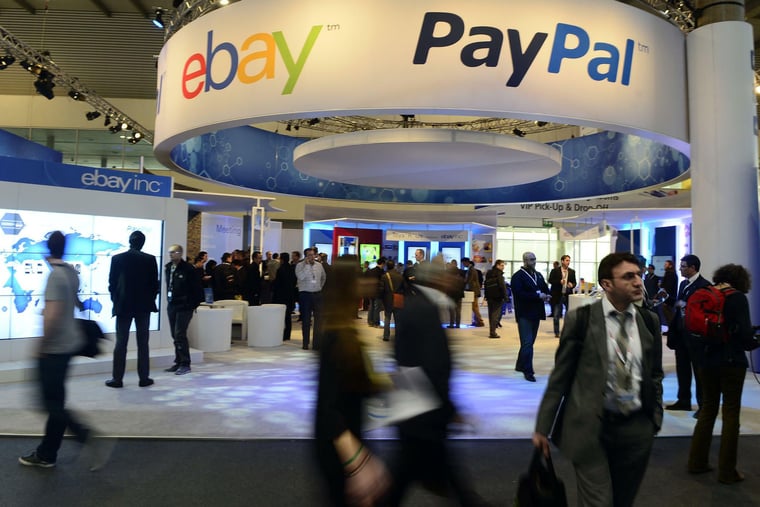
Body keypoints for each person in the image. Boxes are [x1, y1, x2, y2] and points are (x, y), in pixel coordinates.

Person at [533, 252, 663, 507]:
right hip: (590, 428)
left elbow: (655, 374)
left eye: (638, 275)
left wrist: (654, 418)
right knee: (598, 502)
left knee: (623, 501)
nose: (638, 282)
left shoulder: (649, 321)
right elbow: (561, 376)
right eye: (628, 277)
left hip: (636, 430)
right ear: (607, 284)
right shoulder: (581, 319)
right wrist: (542, 426)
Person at [390, 261, 487, 506]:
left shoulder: (420, 306)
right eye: (447, 276)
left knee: (407, 473)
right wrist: (448, 408)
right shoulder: (424, 310)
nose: (453, 280)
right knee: (404, 474)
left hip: (417, 409)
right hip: (423, 411)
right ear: (436, 280)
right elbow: (431, 366)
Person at [19, 231, 103, 469]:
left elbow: (53, 315)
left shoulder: (55, 276)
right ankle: (47, 454)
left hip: (54, 348)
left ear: (48, 248)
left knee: (49, 403)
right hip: (68, 345)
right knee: (55, 401)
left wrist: (41, 346)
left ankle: (85, 435)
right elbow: (73, 303)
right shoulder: (70, 272)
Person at [314, 255, 390, 506]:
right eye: (361, 276)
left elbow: (352, 384)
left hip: (350, 439)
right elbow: (328, 407)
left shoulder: (345, 330)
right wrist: (356, 462)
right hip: (341, 448)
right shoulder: (337, 336)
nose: (369, 281)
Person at [688, 263, 758, 484]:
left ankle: (697, 462)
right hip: (731, 363)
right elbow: (745, 338)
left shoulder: (707, 293)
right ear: (741, 280)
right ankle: (727, 471)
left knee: (708, 410)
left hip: (706, 361)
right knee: (730, 414)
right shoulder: (737, 298)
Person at [105, 230, 160, 388]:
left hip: (124, 305)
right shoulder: (150, 259)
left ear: (130, 241)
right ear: (143, 243)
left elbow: (112, 284)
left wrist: (116, 301)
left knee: (121, 343)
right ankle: (144, 378)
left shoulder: (118, 259)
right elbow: (154, 285)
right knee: (143, 343)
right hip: (143, 307)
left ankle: (117, 378)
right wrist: (149, 299)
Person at [666, 254, 710, 417]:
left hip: (696, 336)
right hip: (681, 335)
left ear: (693, 268)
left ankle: (703, 405)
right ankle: (683, 400)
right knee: (682, 369)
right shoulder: (683, 284)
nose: (680, 269)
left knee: (699, 372)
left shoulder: (704, 286)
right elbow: (680, 305)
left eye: (683, 266)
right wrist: (668, 299)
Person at [511, 252, 551, 382]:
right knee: (527, 343)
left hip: (536, 313)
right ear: (525, 260)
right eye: (531, 260)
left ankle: (520, 365)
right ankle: (528, 371)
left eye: (534, 259)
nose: (534, 262)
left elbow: (544, 287)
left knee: (529, 343)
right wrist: (537, 295)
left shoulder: (538, 275)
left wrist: (547, 295)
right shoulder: (517, 276)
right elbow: (519, 294)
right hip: (524, 313)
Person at [164, 244, 203, 375]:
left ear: (180, 253)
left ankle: (185, 363)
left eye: (174, 252)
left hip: (185, 306)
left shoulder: (188, 269)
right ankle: (178, 361)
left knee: (180, 333)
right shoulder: (168, 268)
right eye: (170, 252)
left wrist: (192, 304)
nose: (171, 254)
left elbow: (197, 288)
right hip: (172, 304)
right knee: (174, 334)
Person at [295, 247, 327, 350]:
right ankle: (305, 343)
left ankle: (316, 343)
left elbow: (323, 278)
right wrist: (307, 266)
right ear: (305, 256)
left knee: (319, 320)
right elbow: (301, 277)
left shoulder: (319, 265)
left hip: (317, 294)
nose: (312, 257)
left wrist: (319, 287)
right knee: (306, 320)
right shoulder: (300, 266)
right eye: (309, 255)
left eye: (313, 255)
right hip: (305, 295)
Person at [548, 255, 576, 338]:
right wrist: (559, 281)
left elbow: (574, 282)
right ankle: (557, 333)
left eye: (569, 260)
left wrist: (572, 285)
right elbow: (550, 280)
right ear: (562, 261)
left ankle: (566, 332)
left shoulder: (572, 271)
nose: (568, 262)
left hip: (567, 295)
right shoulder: (555, 271)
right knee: (556, 315)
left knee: (568, 315)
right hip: (558, 295)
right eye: (567, 260)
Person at [272, 252, 297, 341]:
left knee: (280, 316)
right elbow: (294, 281)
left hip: (281, 296)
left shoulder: (280, 269)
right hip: (290, 295)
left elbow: (277, 284)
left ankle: (280, 333)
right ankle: (287, 334)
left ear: (281, 259)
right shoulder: (292, 269)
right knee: (288, 316)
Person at [380, 259, 403, 342]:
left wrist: (382, 300)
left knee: (387, 318)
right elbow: (404, 288)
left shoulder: (384, 276)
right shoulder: (400, 276)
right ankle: (398, 336)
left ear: (387, 266)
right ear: (394, 266)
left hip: (388, 300)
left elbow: (381, 290)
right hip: (398, 299)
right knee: (398, 319)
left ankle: (386, 336)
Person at [484, 259, 508, 339]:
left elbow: (486, 285)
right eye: (502, 265)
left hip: (490, 296)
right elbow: (502, 286)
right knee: (495, 314)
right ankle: (493, 332)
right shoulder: (499, 274)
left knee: (491, 314)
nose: (503, 267)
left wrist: (486, 296)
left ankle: (492, 331)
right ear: (497, 265)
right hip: (498, 297)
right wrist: (505, 297)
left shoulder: (489, 273)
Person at [462, 257, 485, 327]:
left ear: (466, 262)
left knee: (474, 307)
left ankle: (479, 321)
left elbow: (469, 280)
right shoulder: (471, 269)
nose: (463, 265)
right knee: (475, 306)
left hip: (474, 290)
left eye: (463, 263)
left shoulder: (471, 270)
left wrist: (463, 284)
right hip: (474, 290)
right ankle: (477, 321)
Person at [446, 259, 465, 329]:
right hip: (459, 294)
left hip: (451, 294)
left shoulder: (448, 272)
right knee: (458, 310)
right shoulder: (461, 272)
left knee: (451, 310)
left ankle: (451, 324)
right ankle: (458, 324)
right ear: (457, 264)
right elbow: (464, 283)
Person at [660, 259, 678, 325]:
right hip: (669, 299)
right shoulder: (671, 274)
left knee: (669, 316)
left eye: (666, 264)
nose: (664, 266)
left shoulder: (670, 274)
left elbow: (668, 287)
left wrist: (666, 301)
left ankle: (672, 329)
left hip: (668, 299)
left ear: (670, 266)